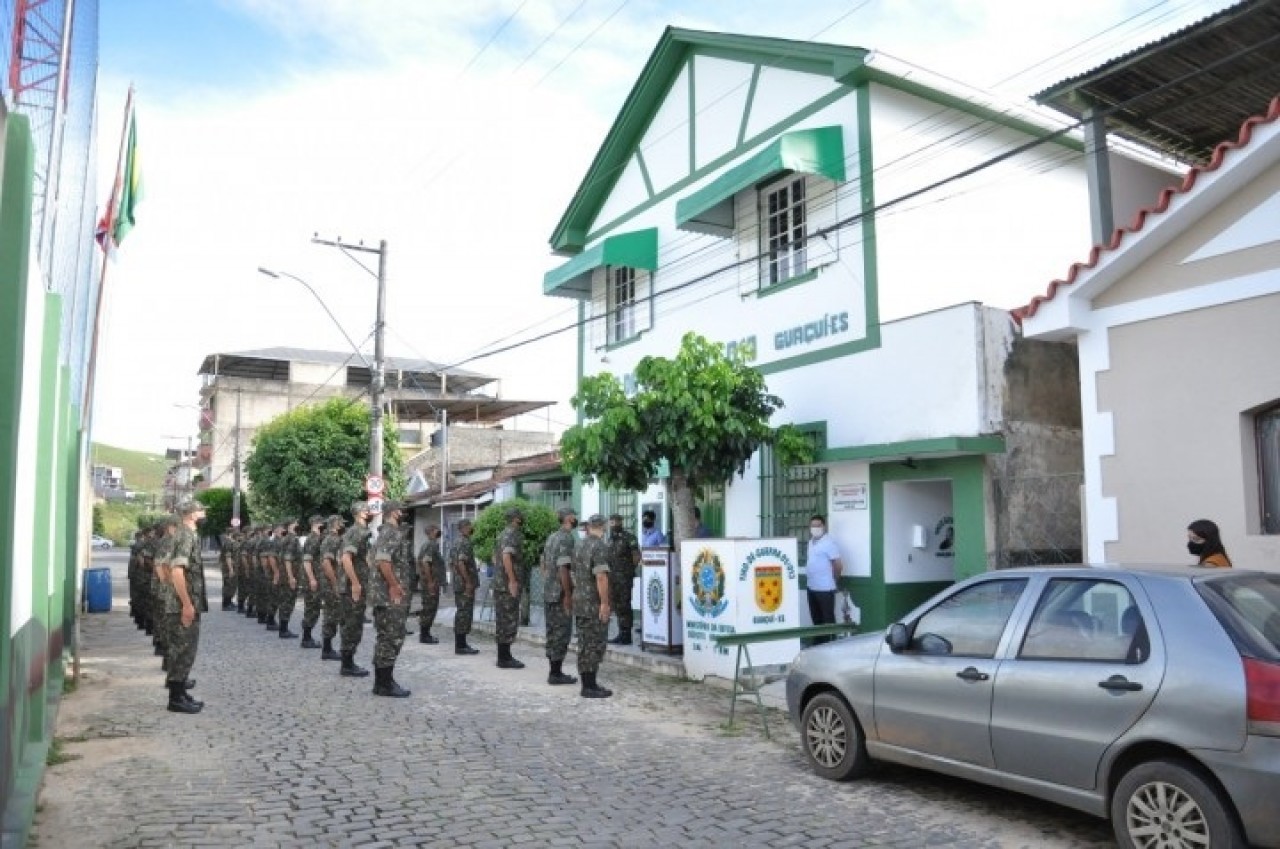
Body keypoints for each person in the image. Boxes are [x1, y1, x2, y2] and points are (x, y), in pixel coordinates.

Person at [165, 501, 206, 714]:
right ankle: (175, 699)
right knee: (182, 651)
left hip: (186, 603)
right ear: (191, 514)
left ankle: (180, 693)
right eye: (201, 510)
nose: (204, 513)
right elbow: (177, 571)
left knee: (186, 651)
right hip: (183, 605)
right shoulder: (185, 535)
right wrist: (187, 605)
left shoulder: (187, 535)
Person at [369, 502, 412, 697]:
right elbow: (383, 561)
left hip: (383, 594)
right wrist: (394, 585)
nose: (402, 513)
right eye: (400, 510)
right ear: (394, 512)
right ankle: (384, 683)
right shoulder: (392, 533)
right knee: (392, 637)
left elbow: (375, 559)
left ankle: (383, 681)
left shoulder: (383, 534)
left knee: (386, 637)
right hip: (389, 596)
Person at [572, 514, 613, 698]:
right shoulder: (599, 546)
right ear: (603, 527)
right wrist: (604, 603)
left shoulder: (579, 544)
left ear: (589, 526)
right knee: (594, 643)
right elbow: (601, 576)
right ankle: (589, 686)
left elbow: (573, 572)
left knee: (584, 642)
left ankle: (587, 683)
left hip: (580, 599)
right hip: (593, 603)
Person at [541, 508, 579, 686]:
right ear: (569, 518)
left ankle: (554, 670)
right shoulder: (566, 538)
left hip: (549, 590)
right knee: (561, 632)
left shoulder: (551, 537)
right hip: (559, 593)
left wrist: (548, 580)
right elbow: (564, 568)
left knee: (552, 631)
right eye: (574, 516)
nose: (576, 519)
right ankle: (555, 673)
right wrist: (568, 594)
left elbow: (544, 562)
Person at [338, 501, 374, 678]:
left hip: (359, 584)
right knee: (352, 625)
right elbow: (346, 558)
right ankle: (347, 665)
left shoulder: (362, 532)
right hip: (353, 587)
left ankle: (349, 662)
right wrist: (355, 583)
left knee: (355, 623)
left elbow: (363, 557)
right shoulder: (355, 531)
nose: (369, 511)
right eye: (365, 509)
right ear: (359, 513)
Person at [493, 508, 526, 669]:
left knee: (502, 620)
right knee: (509, 620)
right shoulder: (512, 534)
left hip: (500, 583)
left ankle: (503, 656)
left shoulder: (502, 534)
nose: (523, 518)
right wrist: (512, 580)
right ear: (516, 519)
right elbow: (506, 556)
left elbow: (495, 557)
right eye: (521, 516)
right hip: (507, 585)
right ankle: (504, 658)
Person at [805, 514, 844, 644]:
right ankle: (818, 645)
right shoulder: (810, 542)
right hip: (811, 587)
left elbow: (838, 565)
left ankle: (831, 645)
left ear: (824, 526)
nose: (815, 528)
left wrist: (835, 580)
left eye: (818, 525)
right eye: (813, 525)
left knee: (828, 620)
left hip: (825, 589)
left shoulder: (829, 543)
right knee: (816, 620)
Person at [606, 514, 641, 645]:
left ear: (621, 522)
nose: (613, 524)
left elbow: (636, 556)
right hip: (612, 578)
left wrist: (629, 570)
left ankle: (626, 635)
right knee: (617, 605)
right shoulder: (610, 540)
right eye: (611, 522)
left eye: (615, 521)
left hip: (624, 578)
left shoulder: (629, 538)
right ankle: (621, 632)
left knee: (625, 605)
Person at [448, 518, 481, 655]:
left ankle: (462, 643)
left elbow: (452, 563)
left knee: (463, 612)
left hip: (459, 582)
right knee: (464, 613)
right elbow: (461, 563)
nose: (471, 528)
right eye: (469, 526)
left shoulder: (456, 542)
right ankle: (461, 645)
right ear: (463, 528)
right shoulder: (463, 542)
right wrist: (467, 582)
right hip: (464, 584)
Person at [317, 515, 346, 661]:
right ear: (336, 524)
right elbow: (326, 563)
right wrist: (335, 583)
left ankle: (327, 648)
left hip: (332, 582)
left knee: (332, 614)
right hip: (331, 584)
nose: (343, 526)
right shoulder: (331, 540)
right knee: (331, 615)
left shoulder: (332, 539)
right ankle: (327, 649)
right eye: (341, 523)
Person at [298, 515, 326, 648]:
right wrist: (312, 579)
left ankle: (307, 637)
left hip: (315, 577)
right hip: (312, 579)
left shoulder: (317, 538)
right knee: (312, 608)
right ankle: (306, 638)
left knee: (313, 608)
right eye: (321, 523)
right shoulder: (313, 539)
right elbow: (307, 561)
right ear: (316, 524)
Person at [416, 523, 446, 644]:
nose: (439, 531)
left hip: (431, 581)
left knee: (430, 607)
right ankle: (424, 635)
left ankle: (425, 633)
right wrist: (430, 581)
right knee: (429, 608)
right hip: (430, 582)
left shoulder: (429, 545)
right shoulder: (430, 545)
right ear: (432, 531)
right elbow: (425, 563)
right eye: (437, 529)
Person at [276, 520, 301, 639]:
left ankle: (283, 628)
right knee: (287, 602)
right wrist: (291, 577)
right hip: (289, 576)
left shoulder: (285, 539)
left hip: (284, 575)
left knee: (285, 602)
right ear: (290, 526)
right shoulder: (292, 539)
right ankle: (283, 630)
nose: (298, 525)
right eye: (295, 523)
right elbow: (288, 559)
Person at [219, 528, 240, 611]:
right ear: (231, 534)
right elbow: (228, 557)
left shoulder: (229, 543)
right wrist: (231, 569)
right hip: (229, 568)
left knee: (231, 585)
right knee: (229, 585)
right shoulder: (228, 543)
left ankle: (229, 602)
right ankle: (226, 604)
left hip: (230, 567)